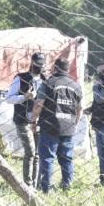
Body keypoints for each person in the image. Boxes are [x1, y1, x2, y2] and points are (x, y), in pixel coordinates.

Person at [31, 57, 83, 193]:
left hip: (50, 126)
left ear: (55, 68)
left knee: (47, 158)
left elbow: (38, 104)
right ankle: (68, 186)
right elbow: (80, 109)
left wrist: (33, 120)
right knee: (66, 158)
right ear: (68, 69)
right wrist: (75, 124)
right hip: (68, 127)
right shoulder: (76, 85)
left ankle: (46, 188)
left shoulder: (48, 83)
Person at [5, 51, 45, 187]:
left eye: (41, 64)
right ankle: (28, 184)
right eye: (37, 63)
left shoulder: (45, 80)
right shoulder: (20, 78)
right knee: (30, 152)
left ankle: (35, 184)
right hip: (23, 120)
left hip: (39, 120)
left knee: (38, 154)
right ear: (32, 63)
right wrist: (24, 97)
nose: (39, 66)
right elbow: (9, 99)